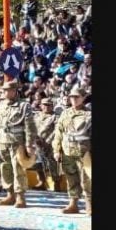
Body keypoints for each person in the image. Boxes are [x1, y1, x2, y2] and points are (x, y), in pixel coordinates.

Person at [0, 80, 38, 208]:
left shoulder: (23, 106)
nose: (5, 93)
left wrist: (29, 145)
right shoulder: (0, 106)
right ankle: (10, 194)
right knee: (4, 167)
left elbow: (30, 127)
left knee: (18, 169)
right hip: (2, 141)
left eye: (7, 90)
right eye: (3, 90)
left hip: (17, 142)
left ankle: (20, 196)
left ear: (14, 91)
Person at [52, 87, 92, 215]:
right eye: (71, 97)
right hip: (67, 150)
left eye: (77, 97)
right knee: (71, 178)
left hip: (84, 152)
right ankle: (73, 204)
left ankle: (89, 204)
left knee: (87, 179)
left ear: (83, 98)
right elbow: (58, 132)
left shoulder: (89, 114)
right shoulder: (65, 113)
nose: (73, 99)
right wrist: (56, 149)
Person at [33, 97, 59, 190]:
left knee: (52, 164)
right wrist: (35, 138)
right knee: (37, 163)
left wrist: (47, 141)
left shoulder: (55, 117)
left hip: (50, 144)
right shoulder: (36, 115)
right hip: (37, 144)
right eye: (45, 105)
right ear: (41, 106)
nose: (47, 107)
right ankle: (41, 181)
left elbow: (56, 131)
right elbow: (32, 127)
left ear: (52, 106)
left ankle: (56, 183)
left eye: (49, 105)